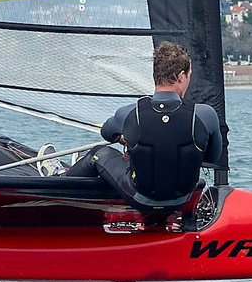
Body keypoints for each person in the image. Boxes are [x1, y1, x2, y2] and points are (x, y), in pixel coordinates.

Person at [92, 41, 227, 212]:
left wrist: (124, 137)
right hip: (182, 199)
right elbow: (212, 157)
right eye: (189, 75)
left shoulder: (131, 113)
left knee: (98, 153)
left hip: (140, 199)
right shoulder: (205, 115)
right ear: (181, 76)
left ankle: (61, 185)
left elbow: (106, 132)